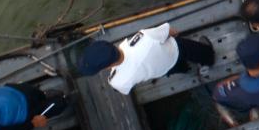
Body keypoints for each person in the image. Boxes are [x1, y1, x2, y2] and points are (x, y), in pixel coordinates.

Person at [78, 23, 215, 95]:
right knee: (201, 52)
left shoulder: (117, 82)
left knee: (179, 68)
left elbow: (125, 87)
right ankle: (209, 58)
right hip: (177, 48)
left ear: (107, 67)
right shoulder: (143, 37)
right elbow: (171, 32)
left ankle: (187, 69)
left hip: (164, 69)